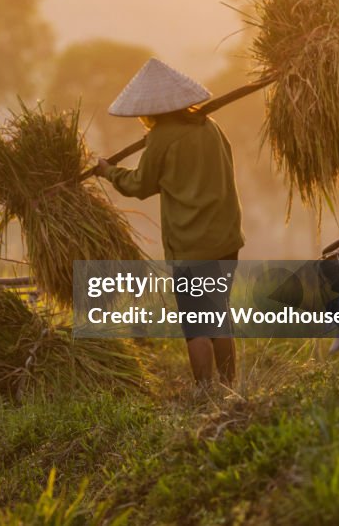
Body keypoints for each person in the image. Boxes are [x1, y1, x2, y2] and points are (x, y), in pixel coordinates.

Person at [95, 57, 244, 386]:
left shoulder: (161, 138)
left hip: (191, 246)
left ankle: (205, 391)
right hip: (226, 239)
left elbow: (140, 185)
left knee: (196, 325)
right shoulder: (211, 127)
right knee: (219, 315)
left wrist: (109, 172)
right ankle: (230, 386)